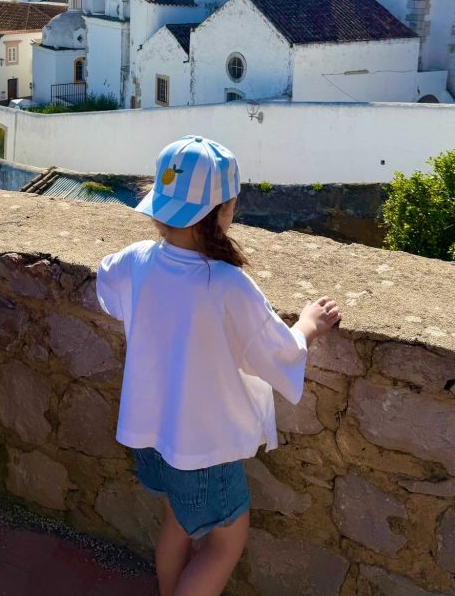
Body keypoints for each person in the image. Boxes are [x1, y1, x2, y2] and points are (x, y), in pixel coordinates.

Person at [96, 136, 341, 596]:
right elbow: (276, 352)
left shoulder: (138, 260)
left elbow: (106, 279)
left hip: (153, 437)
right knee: (224, 545)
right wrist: (307, 325)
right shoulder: (227, 284)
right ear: (224, 210)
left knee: (177, 522)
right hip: (202, 449)